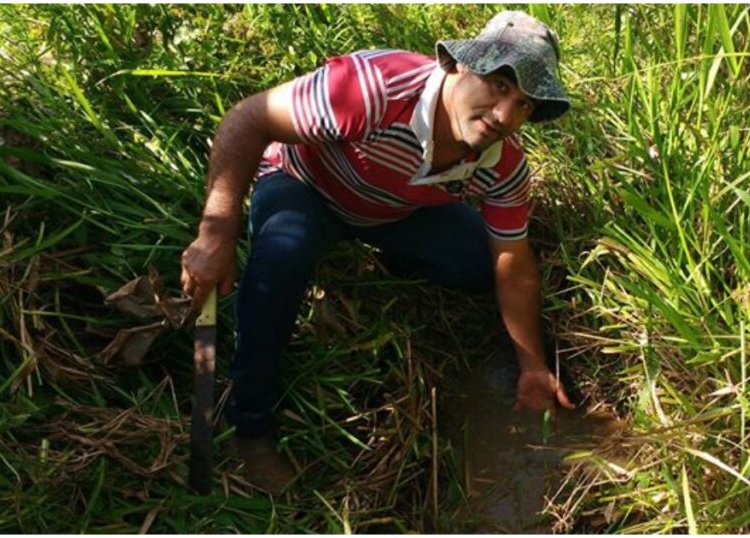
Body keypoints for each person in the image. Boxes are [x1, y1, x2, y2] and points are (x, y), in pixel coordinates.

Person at [179, 10, 574, 494]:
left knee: (478, 262)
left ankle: (386, 255)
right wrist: (216, 231)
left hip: (396, 211)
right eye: (498, 86)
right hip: (306, 186)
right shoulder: (373, 89)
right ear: (459, 64)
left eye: (524, 106)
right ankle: (251, 423)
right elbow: (250, 118)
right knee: (284, 256)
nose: (504, 117)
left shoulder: (503, 164)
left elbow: (512, 264)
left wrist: (533, 365)